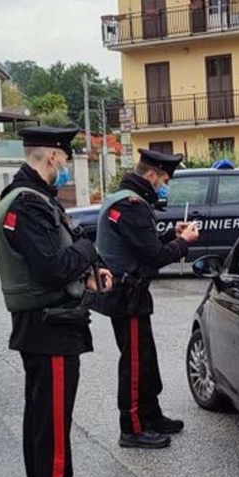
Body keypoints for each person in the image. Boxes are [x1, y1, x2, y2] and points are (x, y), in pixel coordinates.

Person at [0, 125, 115, 477]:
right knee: (53, 437)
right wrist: (89, 249)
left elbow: (59, 255)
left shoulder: (31, 199)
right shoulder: (27, 204)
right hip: (51, 329)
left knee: (43, 431)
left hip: (48, 326)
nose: (65, 168)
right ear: (50, 158)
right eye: (63, 161)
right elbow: (52, 264)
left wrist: (83, 261)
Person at [95, 148, 199, 449]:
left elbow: (141, 246)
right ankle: (132, 428)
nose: (164, 185)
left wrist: (171, 235)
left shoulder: (124, 198)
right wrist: (184, 242)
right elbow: (153, 257)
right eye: (163, 179)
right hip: (127, 297)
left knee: (146, 360)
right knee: (135, 364)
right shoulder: (131, 205)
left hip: (128, 295)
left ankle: (151, 416)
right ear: (151, 174)